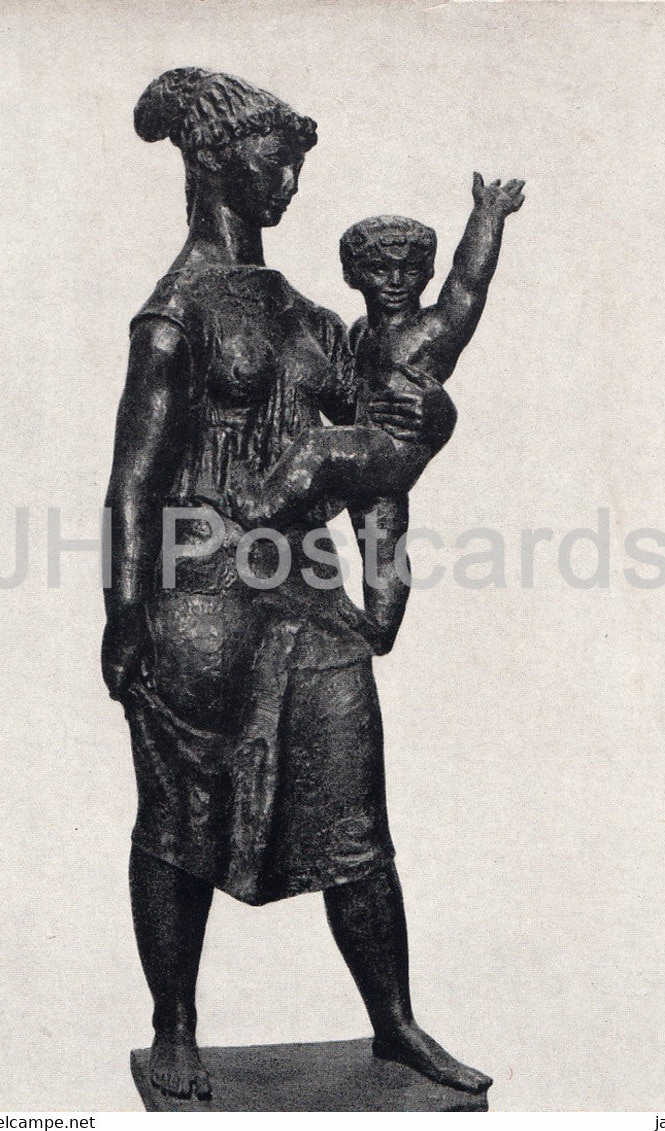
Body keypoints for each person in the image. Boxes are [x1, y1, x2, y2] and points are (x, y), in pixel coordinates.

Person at [103, 66, 489, 1102]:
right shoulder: (173, 315)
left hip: (307, 594)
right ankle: (175, 1025)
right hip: (198, 591)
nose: (289, 186)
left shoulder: (305, 314)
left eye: (296, 169)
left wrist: (432, 423)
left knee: (353, 813)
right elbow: (132, 482)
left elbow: (380, 427)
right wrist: (122, 615)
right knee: (181, 817)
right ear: (216, 161)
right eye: (275, 165)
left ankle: (394, 1023)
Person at [225, 183, 524, 652]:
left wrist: (488, 215)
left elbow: (469, 282)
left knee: (318, 448)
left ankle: (260, 507)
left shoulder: (433, 329)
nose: (396, 281)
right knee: (383, 534)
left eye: (411, 270)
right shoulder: (359, 334)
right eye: (380, 269)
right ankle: (381, 626)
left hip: (395, 448)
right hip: (371, 452)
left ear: (428, 273)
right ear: (353, 275)